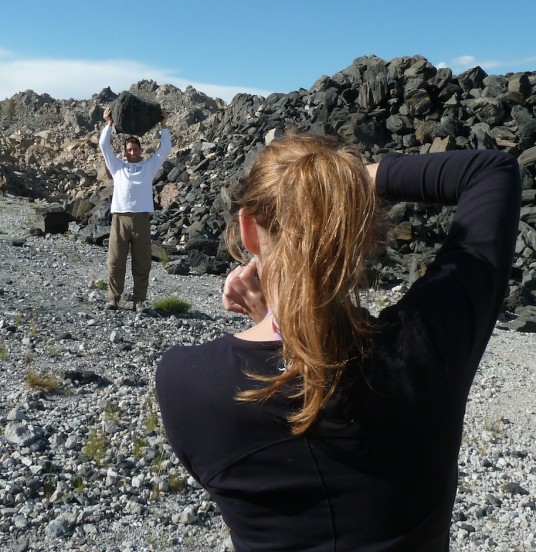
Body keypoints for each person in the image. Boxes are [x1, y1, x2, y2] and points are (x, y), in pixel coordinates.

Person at [156, 133, 521, 551]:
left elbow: (302, 389)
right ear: (362, 235)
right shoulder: (428, 350)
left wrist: (268, 320)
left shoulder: (186, 383)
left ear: (247, 230)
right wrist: (343, 187)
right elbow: (491, 171)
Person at [99, 106, 172, 311]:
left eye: (135, 149)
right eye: (129, 150)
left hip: (141, 219)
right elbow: (104, 145)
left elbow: (165, 148)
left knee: (142, 263)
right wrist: (109, 123)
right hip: (120, 219)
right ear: (125, 152)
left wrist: (164, 125)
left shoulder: (149, 166)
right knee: (115, 261)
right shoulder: (117, 167)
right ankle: (113, 298)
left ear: (141, 151)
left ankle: (139, 301)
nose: (132, 152)